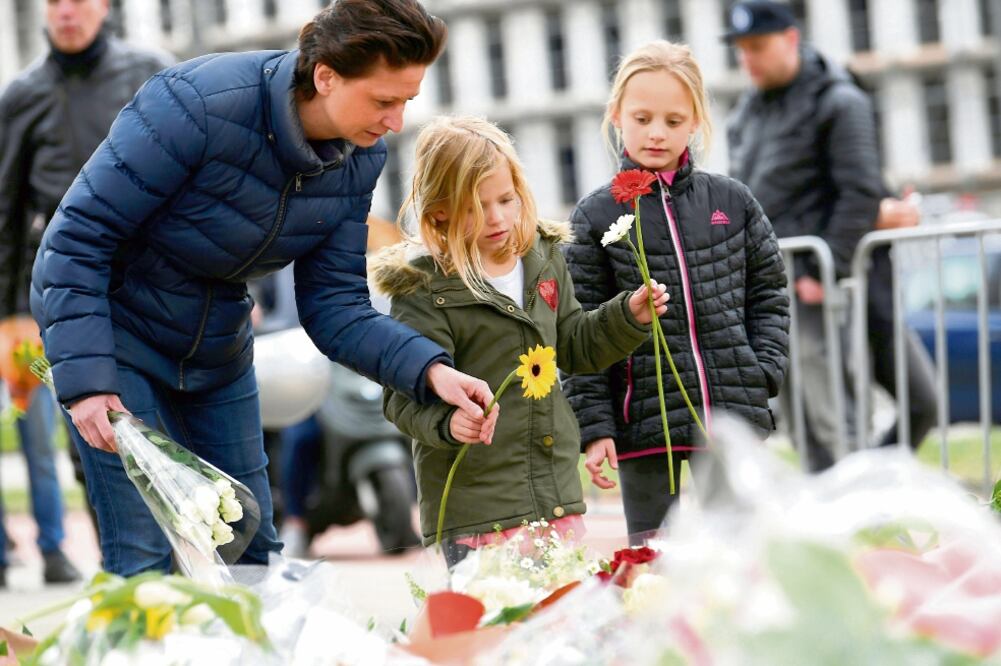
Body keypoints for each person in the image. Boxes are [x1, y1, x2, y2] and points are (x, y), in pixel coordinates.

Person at [29, 0, 498, 577]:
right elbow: (75, 241)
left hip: (218, 347)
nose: (396, 122)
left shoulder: (359, 158)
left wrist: (430, 372)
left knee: (248, 542)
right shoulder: (194, 102)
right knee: (147, 553)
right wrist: (87, 386)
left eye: (405, 101)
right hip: (117, 338)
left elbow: (337, 306)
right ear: (325, 74)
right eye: (383, 100)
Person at [373, 116, 667, 564]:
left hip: (552, 493)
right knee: (495, 627)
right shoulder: (424, 287)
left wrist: (625, 317)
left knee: (559, 619)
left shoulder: (543, 257)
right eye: (475, 207)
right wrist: (447, 424)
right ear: (439, 212)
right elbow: (400, 397)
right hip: (476, 510)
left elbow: (573, 345)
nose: (496, 218)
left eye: (505, 200)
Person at [564, 40, 789, 542]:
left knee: (743, 556)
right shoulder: (595, 215)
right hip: (644, 425)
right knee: (651, 565)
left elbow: (769, 293)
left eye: (672, 119)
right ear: (617, 115)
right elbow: (576, 334)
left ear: (695, 121)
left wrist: (763, 371)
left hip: (731, 415)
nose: (657, 133)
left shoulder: (733, 200)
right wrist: (596, 426)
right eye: (642, 118)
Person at [0, 0, 173, 586]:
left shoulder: (152, 71)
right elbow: (6, 213)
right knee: (93, 447)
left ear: (105, 6)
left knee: (174, 442)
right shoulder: (21, 96)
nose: (66, 11)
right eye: (54, 1)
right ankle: (131, 592)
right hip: (70, 296)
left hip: (160, 287)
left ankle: (185, 598)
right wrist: (11, 314)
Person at [725, 0, 882, 471]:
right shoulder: (748, 112)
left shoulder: (838, 100)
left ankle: (862, 525)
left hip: (811, 285)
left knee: (833, 413)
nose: (747, 58)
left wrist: (823, 268)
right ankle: (830, 531)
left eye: (757, 46)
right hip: (769, 288)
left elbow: (861, 193)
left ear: (790, 39)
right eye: (741, 49)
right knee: (798, 416)